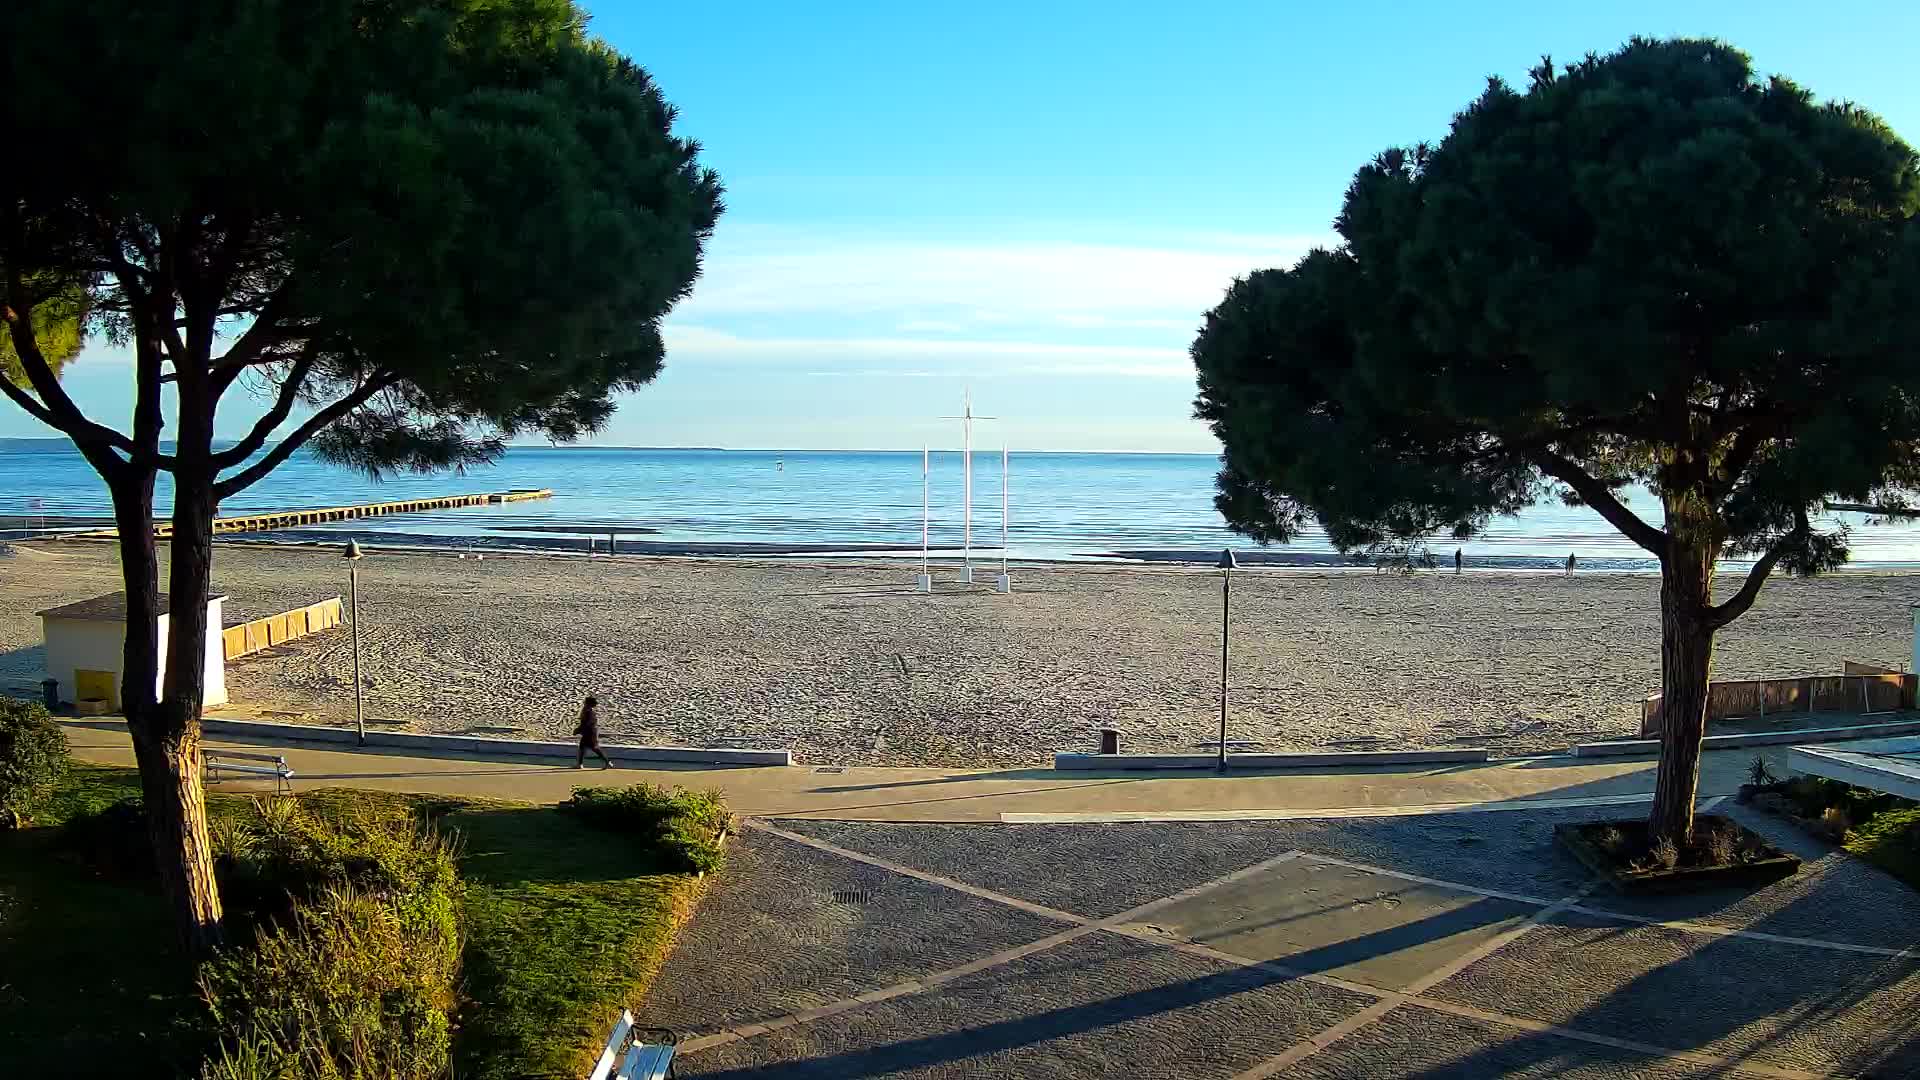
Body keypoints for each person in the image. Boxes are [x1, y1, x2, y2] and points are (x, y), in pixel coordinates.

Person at [575, 695, 614, 769]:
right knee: (582, 747)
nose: (584, 703)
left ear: (588, 703)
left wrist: (579, 730)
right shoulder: (587, 711)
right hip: (588, 732)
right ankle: (579, 764)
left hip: (590, 733)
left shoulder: (589, 712)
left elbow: (587, 723)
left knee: (595, 748)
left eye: (585, 702)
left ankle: (608, 762)